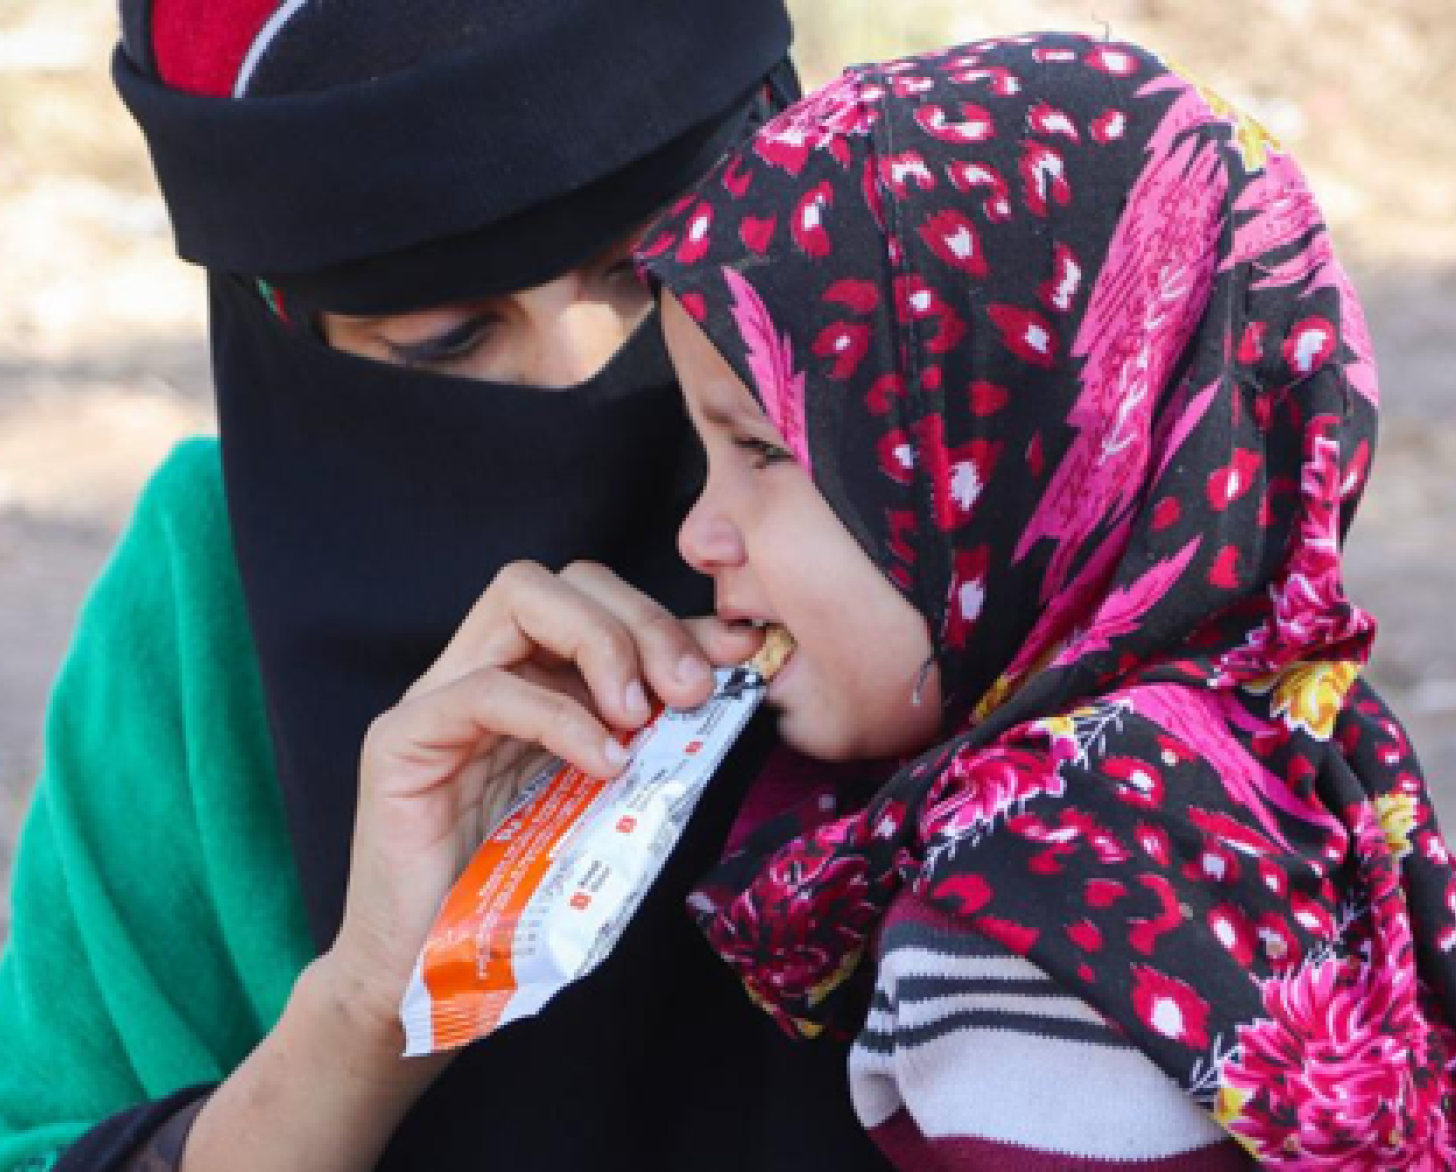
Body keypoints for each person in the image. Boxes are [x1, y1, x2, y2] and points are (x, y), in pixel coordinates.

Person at [0, 3, 899, 1170]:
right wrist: (369, 1008)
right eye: (441, 342)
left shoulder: (998, 480)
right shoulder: (206, 600)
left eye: (651, 267)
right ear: (290, 336)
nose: (583, 374)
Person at [633, 31, 1456, 1168]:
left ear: (1014, 455)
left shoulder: (1021, 924)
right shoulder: (1291, 742)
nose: (696, 533)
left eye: (765, 452)